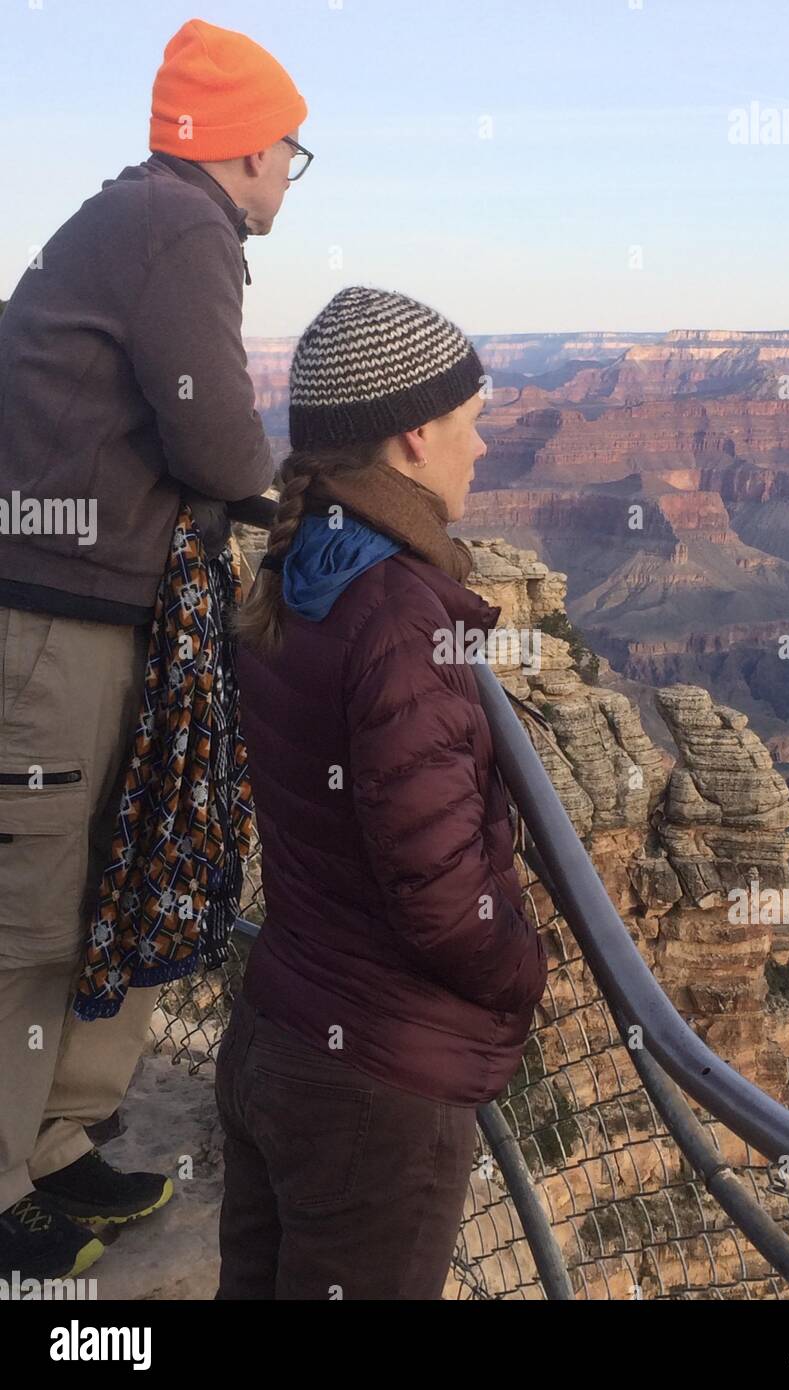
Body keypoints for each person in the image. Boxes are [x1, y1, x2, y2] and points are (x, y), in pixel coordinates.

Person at [0, 18, 307, 1282]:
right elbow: (222, 444)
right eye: (291, 148)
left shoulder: (146, 217)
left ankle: (56, 1135)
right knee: (27, 913)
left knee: (93, 889)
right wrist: (302, 511)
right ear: (241, 148)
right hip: (51, 630)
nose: (293, 171)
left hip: (93, 615)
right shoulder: (183, 228)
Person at [218, 286, 549, 1299]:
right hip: (372, 1091)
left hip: (277, 1030)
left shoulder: (301, 574)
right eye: (472, 423)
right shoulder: (400, 613)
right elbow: (442, 897)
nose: (483, 449)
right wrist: (525, 968)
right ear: (411, 437)